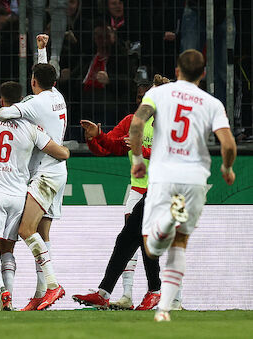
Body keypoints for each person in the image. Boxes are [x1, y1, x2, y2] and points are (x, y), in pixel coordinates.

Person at [129, 49, 237, 322]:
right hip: (193, 181)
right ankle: (165, 309)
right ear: (202, 74)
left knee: (152, 248)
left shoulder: (158, 94)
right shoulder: (212, 103)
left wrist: (138, 159)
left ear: (176, 72)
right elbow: (228, 144)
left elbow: (137, 123)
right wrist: (227, 168)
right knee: (180, 242)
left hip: (164, 176)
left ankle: (164, 225)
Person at [0, 56, 70, 310]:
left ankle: (7, 293)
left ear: (1, 100)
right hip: (20, 193)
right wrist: (65, 151)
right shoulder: (33, 127)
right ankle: (37, 292)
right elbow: (61, 152)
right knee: (18, 243)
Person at [72, 75, 167, 311]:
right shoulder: (133, 121)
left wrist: (143, 150)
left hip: (165, 189)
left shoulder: (171, 124)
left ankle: (156, 293)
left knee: (138, 240)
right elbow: (112, 146)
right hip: (141, 190)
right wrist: (97, 137)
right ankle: (126, 294)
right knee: (132, 239)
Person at [0, 34, 68, 311]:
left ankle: (52, 284)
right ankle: (41, 293)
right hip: (58, 171)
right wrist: (42, 51)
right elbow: (44, 74)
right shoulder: (56, 95)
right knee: (42, 233)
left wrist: (20, 114)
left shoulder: (35, 103)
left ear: (33, 82)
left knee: (26, 229)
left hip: (45, 173)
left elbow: (4, 115)